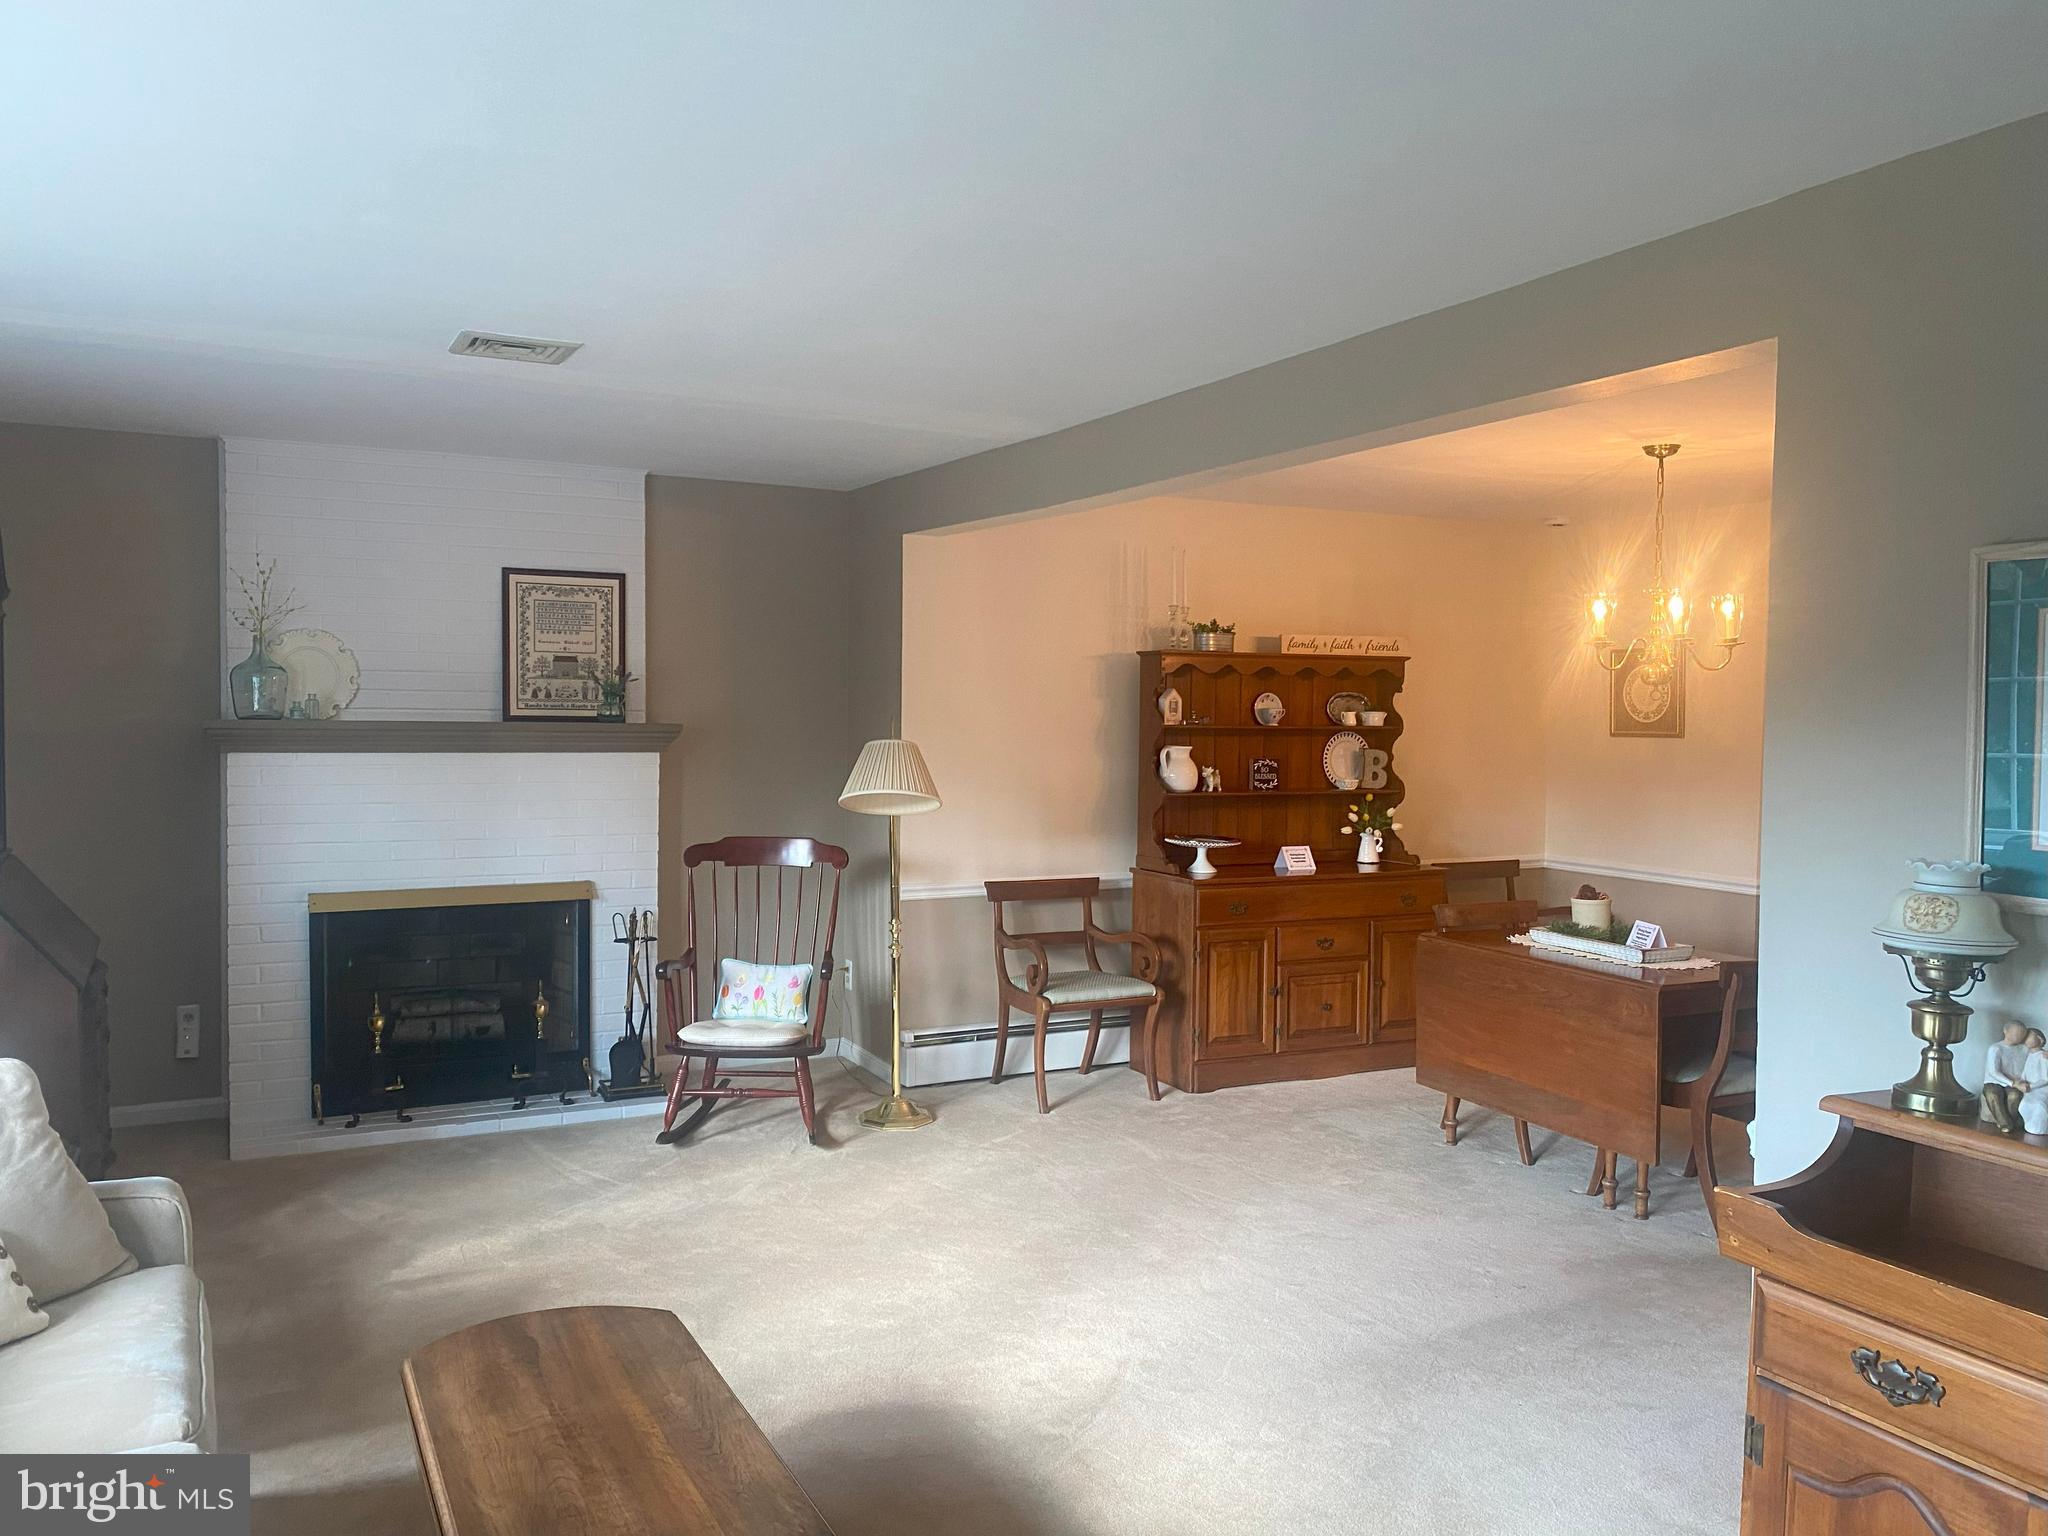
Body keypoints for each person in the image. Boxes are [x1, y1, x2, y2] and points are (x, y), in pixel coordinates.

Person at [1982, 1020, 2036, 1132]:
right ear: (2006, 1031)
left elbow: (2036, 1056)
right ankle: (2005, 1124)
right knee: (1992, 1094)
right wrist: (2013, 1083)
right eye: (2017, 1034)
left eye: (2022, 1034)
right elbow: (1994, 1072)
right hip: (1995, 1082)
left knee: (2014, 1096)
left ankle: (2011, 1121)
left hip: (2015, 1083)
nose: (2019, 1037)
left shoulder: (2024, 1049)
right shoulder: (1996, 1048)